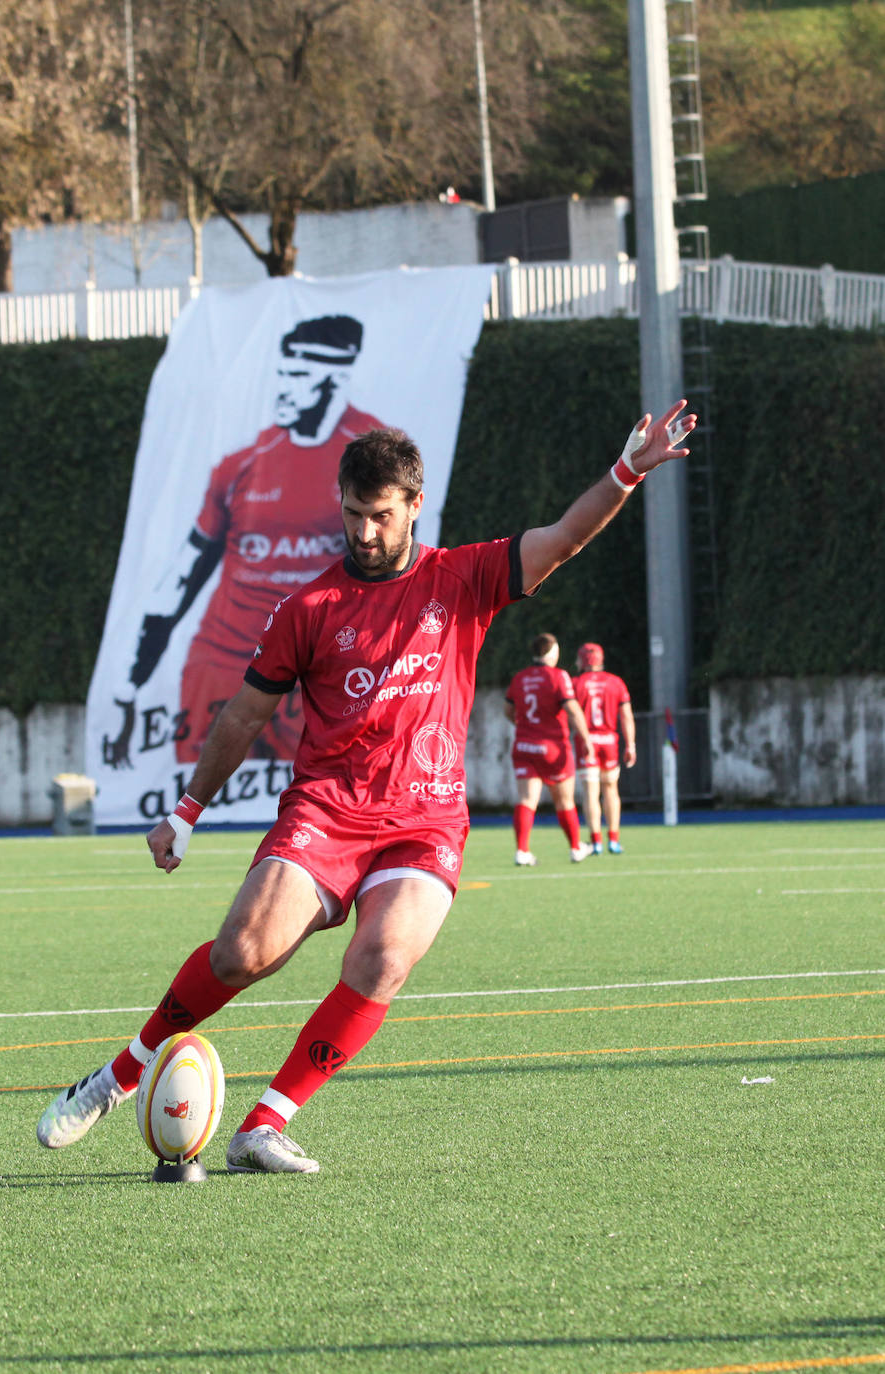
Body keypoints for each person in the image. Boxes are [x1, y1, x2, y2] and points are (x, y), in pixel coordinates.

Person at [38, 400, 695, 1175]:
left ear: (415, 505)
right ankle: (118, 1075)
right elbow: (245, 715)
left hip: (424, 822)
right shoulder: (308, 606)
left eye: (380, 516)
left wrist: (626, 472)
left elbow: (563, 537)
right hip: (327, 812)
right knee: (242, 951)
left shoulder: (464, 576)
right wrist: (186, 812)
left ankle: (264, 1124)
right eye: (353, 514)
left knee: (383, 957)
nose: (364, 532)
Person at [102, 315, 387, 769]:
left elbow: (395, 580)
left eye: (297, 376)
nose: (282, 389)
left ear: (334, 378)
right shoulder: (243, 463)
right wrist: (128, 689)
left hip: (318, 671)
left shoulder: (374, 458)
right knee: (196, 811)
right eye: (281, 373)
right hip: (222, 665)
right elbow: (180, 580)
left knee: (322, 809)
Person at [503, 634, 596, 867]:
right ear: (553, 651)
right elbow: (572, 709)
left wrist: (523, 725)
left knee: (527, 799)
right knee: (564, 801)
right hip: (553, 747)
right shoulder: (559, 676)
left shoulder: (520, 678)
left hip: (524, 745)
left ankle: (522, 851)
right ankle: (576, 847)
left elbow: (508, 709)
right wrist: (586, 740)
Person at [573, 641, 636, 854]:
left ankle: (596, 841)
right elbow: (626, 716)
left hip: (586, 741)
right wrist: (631, 745)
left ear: (582, 660)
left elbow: (568, 714)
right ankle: (614, 840)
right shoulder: (615, 682)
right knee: (611, 789)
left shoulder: (576, 683)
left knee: (591, 792)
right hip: (609, 741)